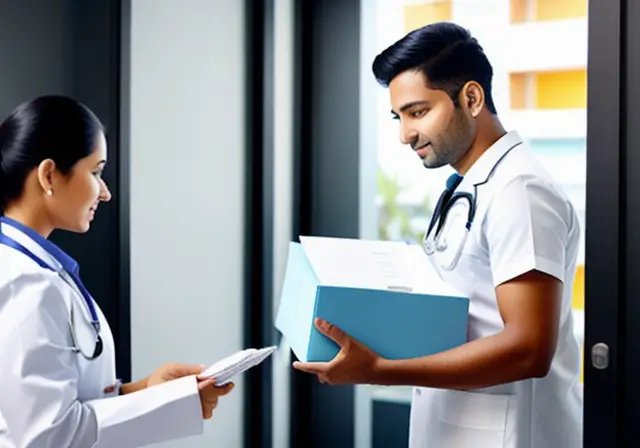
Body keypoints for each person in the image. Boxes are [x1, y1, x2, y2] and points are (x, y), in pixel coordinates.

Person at [293, 22, 583, 448]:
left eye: (418, 112)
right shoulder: (469, 189)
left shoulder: (519, 191)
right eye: (399, 116)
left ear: (471, 98)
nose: (405, 134)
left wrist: (379, 370)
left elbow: (529, 347)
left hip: (514, 434)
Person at [0, 95, 234, 447]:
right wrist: (168, 406)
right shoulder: (24, 284)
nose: (105, 192)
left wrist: (143, 390)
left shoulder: (36, 272)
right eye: (95, 172)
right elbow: (47, 438)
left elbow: (60, 404)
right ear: (49, 174)